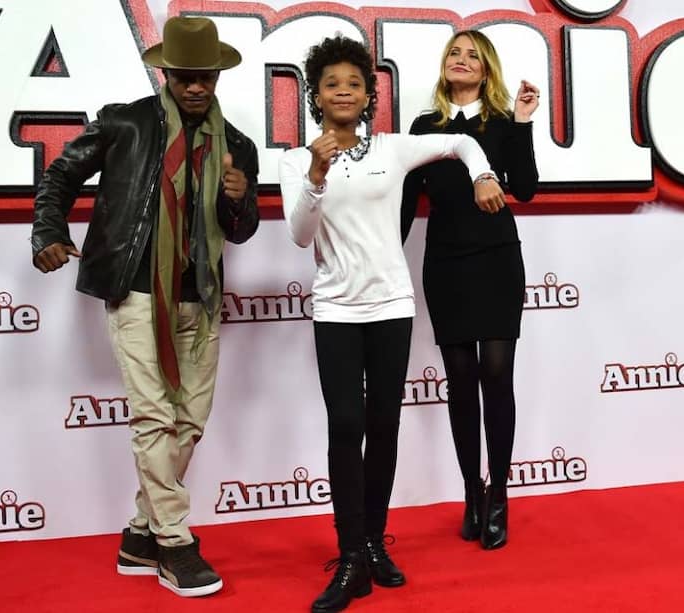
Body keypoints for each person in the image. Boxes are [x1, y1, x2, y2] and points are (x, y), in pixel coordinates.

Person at [31, 16, 259, 598]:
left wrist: (238, 201)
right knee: (154, 417)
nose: (195, 87)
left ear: (215, 76)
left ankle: (140, 533)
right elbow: (60, 175)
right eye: (185, 76)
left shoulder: (235, 145)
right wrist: (48, 230)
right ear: (167, 73)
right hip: (135, 291)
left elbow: (240, 231)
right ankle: (176, 542)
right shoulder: (125, 122)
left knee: (189, 422)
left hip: (200, 298)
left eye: (204, 76)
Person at [279, 35, 505, 613]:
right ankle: (350, 555)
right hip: (335, 308)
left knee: (383, 427)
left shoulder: (393, 149)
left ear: (368, 95)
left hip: (391, 307)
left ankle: (375, 545)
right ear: (318, 96)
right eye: (333, 84)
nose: (345, 91)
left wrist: (482, 175)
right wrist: (316, 172)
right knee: (345, 425)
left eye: (355, 83)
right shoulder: (297, 159)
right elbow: (301, 234)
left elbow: (458, 140)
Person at [401, 30, 539, 550]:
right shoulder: (422, 128)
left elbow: (524, 187)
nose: (461, 61)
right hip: (446, 264)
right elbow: (405, 201)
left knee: (496, 375)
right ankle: (471, 494)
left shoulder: (503, 124)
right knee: (460, 379)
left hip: (496, 260)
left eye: (472, 56)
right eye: (454, 54)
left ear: (486, 70)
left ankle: (500, 494)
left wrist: (524, 124)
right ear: (445, 66)